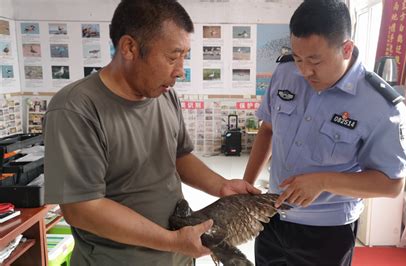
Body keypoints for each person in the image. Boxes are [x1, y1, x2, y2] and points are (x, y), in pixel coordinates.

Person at [43, 0, 259, 265]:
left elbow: (179, 155)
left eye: (184, 56)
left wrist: (221, 185)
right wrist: (171, 241)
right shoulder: (76, 108)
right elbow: (82, 208)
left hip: (178, 257)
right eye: (172, 57)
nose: (180, 70)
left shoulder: (164, 95)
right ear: (130, 48)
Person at [243, 0, 406, 265]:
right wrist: (247, 186)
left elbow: (391, 184)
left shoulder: (379, 105)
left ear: (346, 49)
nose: (305, 70)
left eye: (314, 60)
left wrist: (323, 181)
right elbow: (267, 131)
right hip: (272, 217)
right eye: (298, 58)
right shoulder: (285, 73)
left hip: (327, 232)